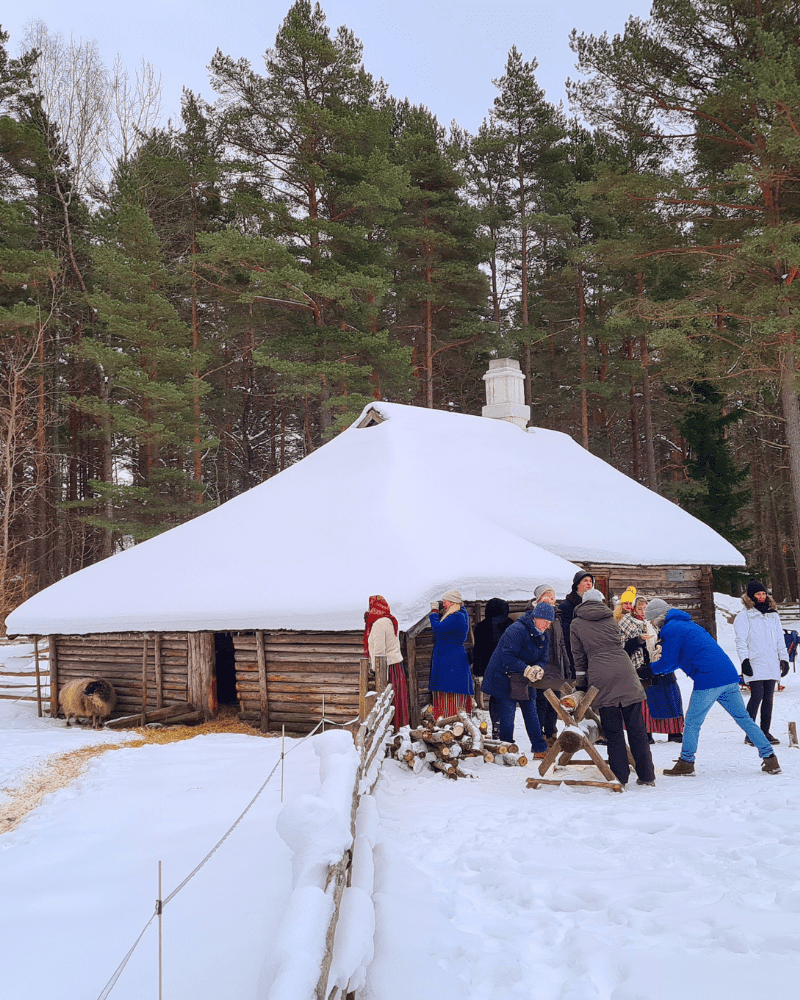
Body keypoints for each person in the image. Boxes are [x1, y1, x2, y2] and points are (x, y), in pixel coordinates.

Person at [644, 598, 781, 775]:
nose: (653, 624)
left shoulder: (671, 628)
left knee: (692, 722)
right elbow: (677, 660)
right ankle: (770, 758)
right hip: (728, 676)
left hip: (709, 679)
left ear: (657, 617)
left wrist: (648, 670)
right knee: (744, 719)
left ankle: (686, 761)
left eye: (652, 620)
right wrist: (655, 670)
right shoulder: (686, 625)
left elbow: (668, 660)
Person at [571, 588, 655, 787]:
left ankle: (620, 777)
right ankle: (647, 775)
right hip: (625, 670)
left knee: (613, 731)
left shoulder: (576, 624)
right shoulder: (610, 617)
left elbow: (579, 657)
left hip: (601, 674)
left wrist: (581, 685)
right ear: (601, 601)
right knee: (637, 728)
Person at [481, 602, 553, 756]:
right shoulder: (517, 630)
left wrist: (539, 668)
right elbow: (507, 655)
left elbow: (543, 658)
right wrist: (526, 669)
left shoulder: (544, 635)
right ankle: (507, 749)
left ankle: (539, 748)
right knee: (507, 715)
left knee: (531, 712)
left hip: (525, 679)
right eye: (545, 621)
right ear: (536, 617)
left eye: (549, 623)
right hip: (503, 676)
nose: (547, 625)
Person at [616, 590, 684, 744]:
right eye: (639, 609)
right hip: (639, 667)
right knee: (645, 703)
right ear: (634, 609)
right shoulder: (626, 623)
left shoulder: (654, 623)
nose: (643, 612)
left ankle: (674, 731)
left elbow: (666, 639)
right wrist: (638, 640)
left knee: (670, 695)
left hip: (659, 665)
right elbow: (621, 648)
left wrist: (660, 645)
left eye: (645, 608)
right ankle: (646, 733)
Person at [734, 578, 789, 746]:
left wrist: (784, 658)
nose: (762, 596)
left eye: (764, 593)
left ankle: (765, 732)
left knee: (768, 698)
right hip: (755, 661)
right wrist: (744, 661)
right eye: (758, 594)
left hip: (771, 661)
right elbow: (740, 641)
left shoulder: (773, 615)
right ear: (751, 596)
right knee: (756, 696)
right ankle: (750, 733)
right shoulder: (744, 617)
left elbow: (780, 638)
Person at [529, 584, 569, 745]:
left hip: (556, 663)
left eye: (553, 597)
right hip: (541, 664)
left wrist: (566, 664)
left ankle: (551, 732)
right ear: (538, 599)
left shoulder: (557, 616)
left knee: (555, 701)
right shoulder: (533, 615)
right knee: (541, 700)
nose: (551, 600)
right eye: (547, 597)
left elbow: (561, 643)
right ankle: (540, 735)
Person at [364, 595, 409, 729]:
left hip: (387, 667)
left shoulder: (379, 624)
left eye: (370, 606)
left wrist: (376, 669)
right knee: (396, 698)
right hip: (395, 665)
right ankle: (399, 726)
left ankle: (391, 727)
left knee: (389, 698)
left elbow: (379, 650)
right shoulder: (388, 620)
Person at [472, 598, 514, 737]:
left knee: (494, 698)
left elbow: (478, 650)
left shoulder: (481, 626)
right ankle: (504, 729)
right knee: (506, 698)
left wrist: (478, 671)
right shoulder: (510, 625)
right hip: (508, 667)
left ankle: (496, 725)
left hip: (489, 668)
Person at [428, 590, 473, 717]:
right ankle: (448, 719)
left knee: (449, 688)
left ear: (452, 602)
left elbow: (438, 628)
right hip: (449, 657)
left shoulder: (457, 617)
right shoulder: (459, 615)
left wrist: (434, 612)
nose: (443, 604)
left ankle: (450, 719)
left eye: (445, 601)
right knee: (448, 688)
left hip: (450, 659)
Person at [558, 569, 595, 677]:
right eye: (585, 581)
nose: (589, 583)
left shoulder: (592, 603)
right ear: (577, 584)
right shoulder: (567, 604)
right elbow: (565, 630)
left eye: (590, 581)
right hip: (574, 649)